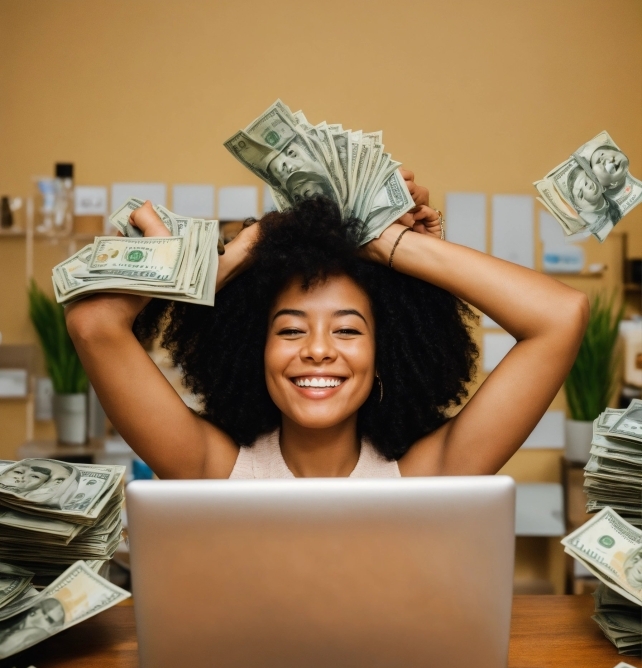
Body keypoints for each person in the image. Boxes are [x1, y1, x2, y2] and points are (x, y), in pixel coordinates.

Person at [65, 170, 588, 481]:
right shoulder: (212, 467)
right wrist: (256, 241)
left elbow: (560, 317)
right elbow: (94, 323)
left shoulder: (430, 474)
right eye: (290, 330)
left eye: (348, 330)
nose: (318, 350)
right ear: (256, 350)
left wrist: (391, 242)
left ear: (386, 353)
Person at [0, 598, 65, 658]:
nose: (39, 618)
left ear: (51, 628)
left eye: (49, 619)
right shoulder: (13, 619)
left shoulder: (37, 635)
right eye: (42, 611)